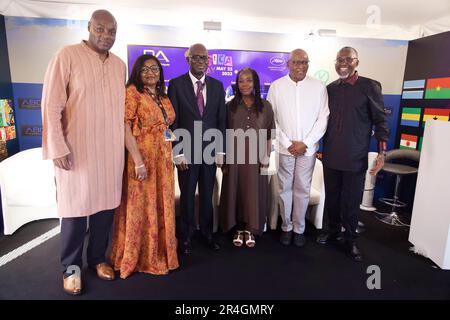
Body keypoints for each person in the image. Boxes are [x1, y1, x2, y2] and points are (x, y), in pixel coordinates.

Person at [41, 10, 126, 295]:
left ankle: (98, 260)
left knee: (104, 210)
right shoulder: (67, 55)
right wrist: (57, 146)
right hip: (77, 150)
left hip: (110, 152)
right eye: (100, 29)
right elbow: (51, 105)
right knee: (75, 211)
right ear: (89, 27)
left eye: (112, 31)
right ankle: (71, 268)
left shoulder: (119, 65)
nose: (106, 35)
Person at [316, 47, 389, 262]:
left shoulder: (369, 86)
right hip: (330, 156)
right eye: (339, 59)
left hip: (355, 157)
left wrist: (382, 153)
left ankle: (351, 239)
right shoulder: (330, 89)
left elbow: (380, 120)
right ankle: (332, 231)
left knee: (351, 201)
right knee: (333, 198)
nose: (343, 63)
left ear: (357, 62)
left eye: (348, 59)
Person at [110, 54, 179, 278]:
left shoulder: (162, 96)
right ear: (137, 72)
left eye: (155, 69)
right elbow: (125, 128)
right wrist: (138, 161)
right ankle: (139, 258)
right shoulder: (132, 93)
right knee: (142, 207)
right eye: (145, 69)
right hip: (142, 160)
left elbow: (165, 126)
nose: (151, 73)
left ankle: (160, 253)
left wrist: (170, 142)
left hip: (164, 161)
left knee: (161, 204)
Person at [267, 49, 329, 248]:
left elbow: (323, 118)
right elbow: (271, 119)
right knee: (284, 189)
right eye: (296, 62)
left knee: (302, 189)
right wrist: (287, 143)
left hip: (308, 151)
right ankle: (286, 227)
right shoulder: (277, 87)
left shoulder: (318, 87)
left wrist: (306, 143)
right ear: (288, 64)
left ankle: (299, 229)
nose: (301, 66)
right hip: (285, 149)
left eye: (304, 62)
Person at [168, 43, 226, 255]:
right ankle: (186, 236)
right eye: (196, 58)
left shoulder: (218, 86)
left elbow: (221, 120)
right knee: (187, 197)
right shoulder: (176, 84)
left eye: (204, 58)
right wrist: (177, 152)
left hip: (210, 152)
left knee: (207, 196)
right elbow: (172, 123)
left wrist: (221, 151)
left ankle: (207, 234)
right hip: (186, 154)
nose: (201, 62)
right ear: (188, 59)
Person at [219, 68, 275, 247]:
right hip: (234, 158)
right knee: (235, 192)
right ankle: (238, 228)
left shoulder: (266, 106)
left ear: (255, 82)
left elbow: (269, 134)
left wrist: (266, 157)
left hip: (256, 159)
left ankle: (251, 228)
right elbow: (224, 134)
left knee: (254, 193)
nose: (245, 84)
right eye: (241, 81)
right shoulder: (230, 106)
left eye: (249, 80)